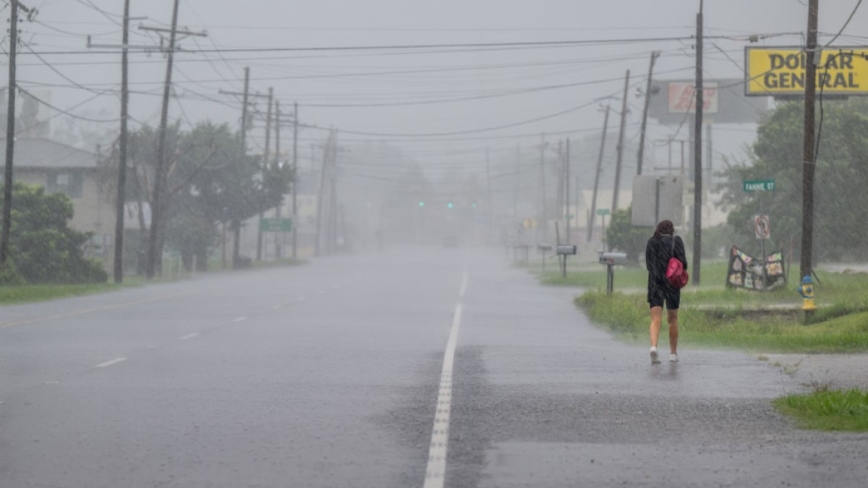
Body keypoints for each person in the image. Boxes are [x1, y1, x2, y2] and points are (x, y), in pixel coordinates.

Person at [645, 220, 687, 364]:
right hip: (672, 284)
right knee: (672, 319)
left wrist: (658, 273)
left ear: (657, 229)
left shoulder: (651, 242)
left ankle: (653, 347)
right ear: (672, 230)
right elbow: (684, 263)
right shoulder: (677, 241)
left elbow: (649, 265)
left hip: (655, 283)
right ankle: (673, 353)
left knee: (655, 319)